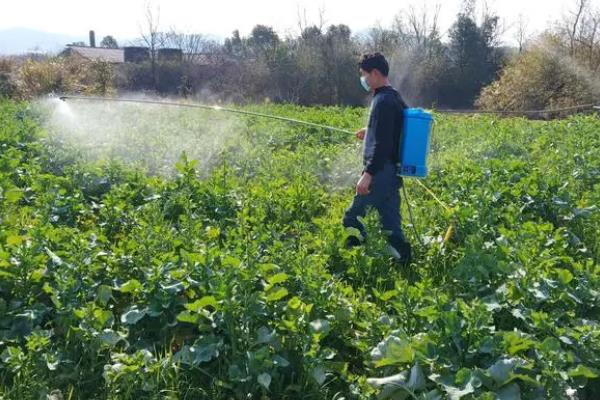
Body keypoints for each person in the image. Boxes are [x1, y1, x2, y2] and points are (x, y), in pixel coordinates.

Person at [342, 52, 412, 263]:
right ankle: (405, 263)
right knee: (390, 225)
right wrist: (369, 129)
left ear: (374, 73)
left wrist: (368, 175)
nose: (363, 80)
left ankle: (354, 262)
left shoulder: (382, 100)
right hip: (392, 173)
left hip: (380, 173)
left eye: (364, 75)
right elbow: (392, 129)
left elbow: (383, 144)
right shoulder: (394, 96)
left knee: (353, 218)